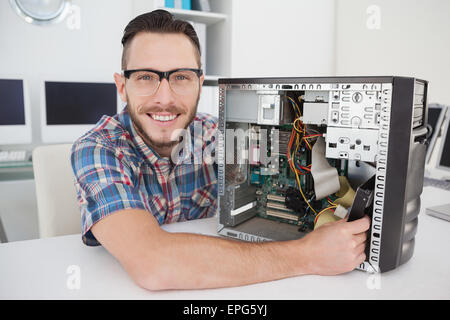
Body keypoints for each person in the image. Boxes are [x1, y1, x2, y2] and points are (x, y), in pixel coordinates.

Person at [71, 9, 370, 291]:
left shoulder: (217, 136)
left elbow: (279, 168)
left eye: (181, 77)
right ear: (122, 86)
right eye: (146, 77)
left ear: (200, 84)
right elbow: (153, 262)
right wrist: (308, 255)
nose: (164, 97)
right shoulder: (99, 149)